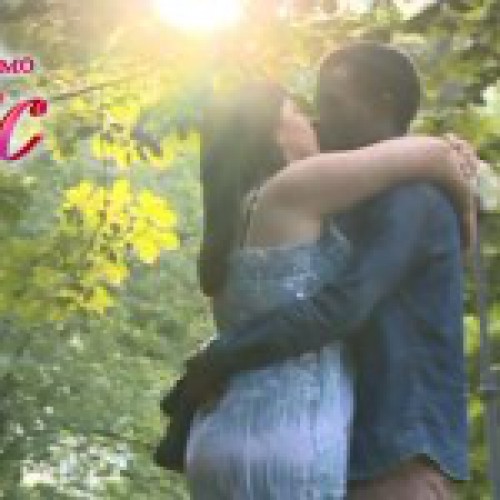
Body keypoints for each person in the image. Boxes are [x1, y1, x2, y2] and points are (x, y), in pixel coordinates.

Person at [162, 42, 477, 499]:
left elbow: (343, 305)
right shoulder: (332, 197)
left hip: (395, 452)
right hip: (339, 450)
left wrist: (220, 357)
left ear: (382, 103)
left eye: (332, 102)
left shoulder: (412, 198)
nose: (317, 120)